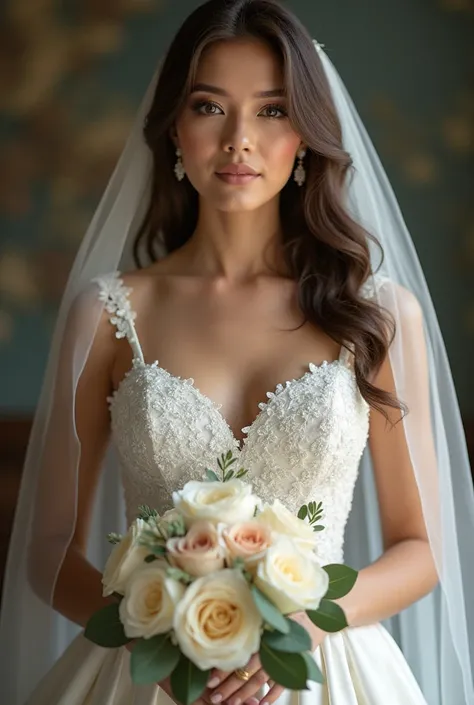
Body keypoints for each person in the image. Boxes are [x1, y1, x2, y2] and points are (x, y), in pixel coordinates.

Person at [1, 1, 473, 704]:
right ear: (174, 132)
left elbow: (423, 549)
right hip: (150, 675)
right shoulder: (107, 315)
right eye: (210, 107)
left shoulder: (377, 315)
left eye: (273, 110)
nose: (240, 141)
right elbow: (46, 551)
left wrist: (304, 625)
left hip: (326, 673)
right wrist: (164, 634)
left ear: (307, 136)